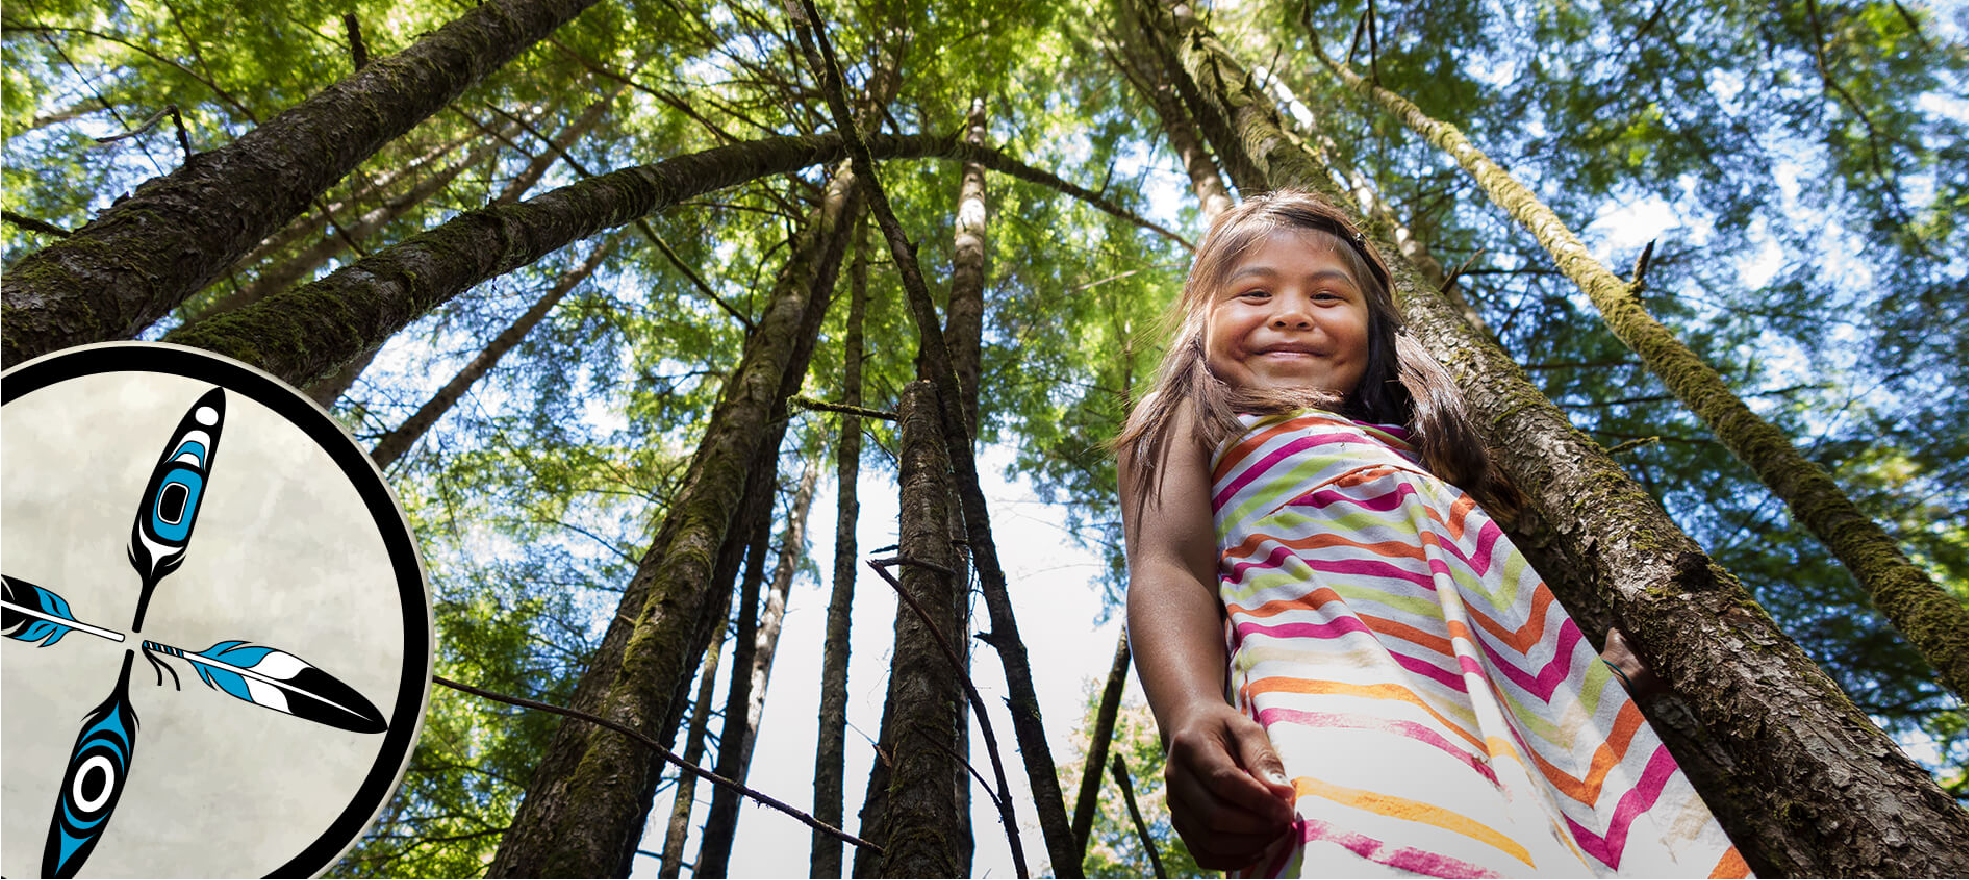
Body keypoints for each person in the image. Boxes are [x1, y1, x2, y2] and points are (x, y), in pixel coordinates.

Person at [1114, 190, 1746, 878]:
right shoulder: (1192, 415)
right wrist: (1192, 709)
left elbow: (1486, 628)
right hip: (1345, 711)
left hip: (1543, 755)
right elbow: (1167, 567)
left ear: (1372, 332)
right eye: (1254, 292)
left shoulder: (1416, 451)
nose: (1291, 313)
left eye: (1327, 298)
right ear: (1202, 321)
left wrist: (1604, 686)